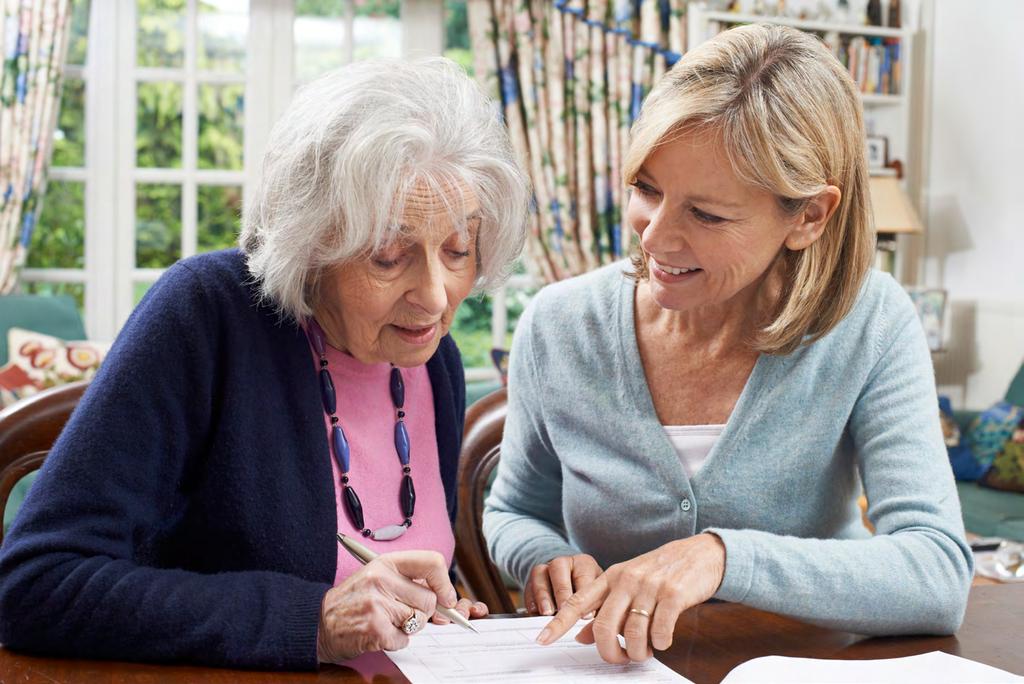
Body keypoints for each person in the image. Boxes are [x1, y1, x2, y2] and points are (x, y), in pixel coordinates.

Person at [0, 57, 527, 670]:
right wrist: (315, 621)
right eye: (388, 256)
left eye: (459, 250)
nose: (435, 296)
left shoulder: (433, 361)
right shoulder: (207, 315)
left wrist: (431, 608)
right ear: (313, 243)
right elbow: (34, 585)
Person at [483, 23, 973, 665]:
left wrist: (721, 557)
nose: (654, 238)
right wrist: (543, 557)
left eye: (707, 215)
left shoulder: (871, 322)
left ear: (809, 217)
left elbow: (936, 573)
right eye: (646, 189)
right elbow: (515, 511)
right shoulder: (558, 323)